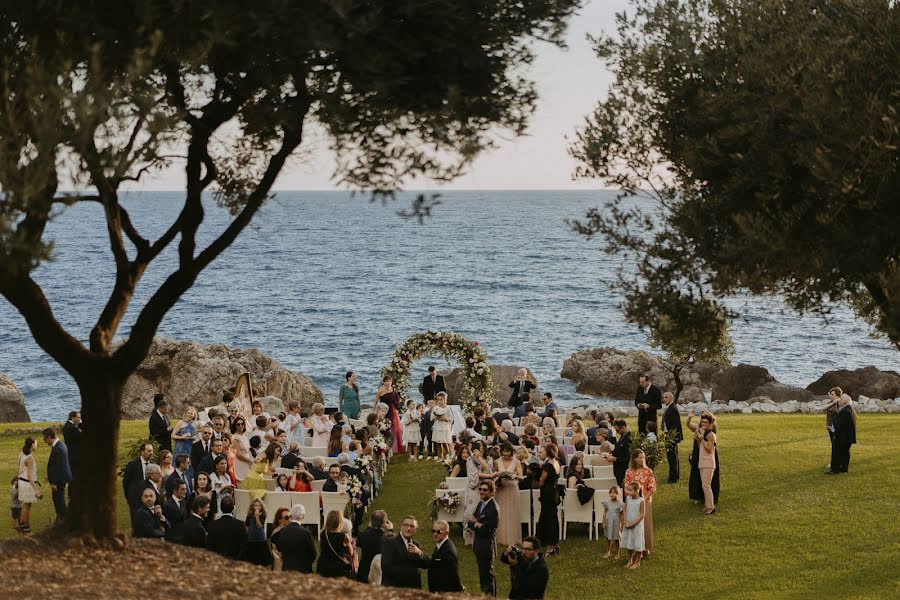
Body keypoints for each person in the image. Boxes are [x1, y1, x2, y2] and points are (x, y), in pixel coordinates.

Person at [380, 514, 430, 589]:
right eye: (406, 525)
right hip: (396, 589)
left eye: (412, 526)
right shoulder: (390, 542)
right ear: (401, 526)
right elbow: (386, 567)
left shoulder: (415, 544)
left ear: (415, 529)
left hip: (413, 591)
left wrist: (420, 553)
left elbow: (426, 564)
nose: (408, 528)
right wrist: (410, 573)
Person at [469, 480, 499, 596]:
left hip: (487, 547)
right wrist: (477, 524)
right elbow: (470, 522)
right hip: (479, 546)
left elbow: (485, 530)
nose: (481, 491)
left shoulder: (493, 509)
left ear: (492, 492)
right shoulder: (481, 503)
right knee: (484, 577)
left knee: (487, 578)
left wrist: (476, 524)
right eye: (480, 489)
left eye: (485, 490)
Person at [623, 449, 657, 553]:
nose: (643, 459)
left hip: (645, 502)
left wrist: (642, 500)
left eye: (643, 457)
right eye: (640, 457)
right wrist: (632, 498)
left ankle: (645, 547)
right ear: (634, 459)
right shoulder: (629, 472)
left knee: (645, 525)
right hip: (632, 503)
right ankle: (634, 547)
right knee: (634, 525)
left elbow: (652, 487)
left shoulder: (648, 471)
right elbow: (626, 487)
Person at [463, 441, 495, 547]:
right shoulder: (470, 459)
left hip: (486, 488)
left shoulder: (489, 459)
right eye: (477, 446)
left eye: (481, 446)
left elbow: (489, 470)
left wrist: (480, 458)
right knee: (472, 511)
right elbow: (474, 475)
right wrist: (488, 476)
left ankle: (483, 535)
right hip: (475, 488)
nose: (479, 448)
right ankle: (469, 538)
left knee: (485, 512)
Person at [272, 504, 318, 573]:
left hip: (287, 570)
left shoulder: (281, 532)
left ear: (291, 515)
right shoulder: (306, 533)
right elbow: (313, 554)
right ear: (302, 516)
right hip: (303, 570)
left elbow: (279, 550)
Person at [494, 442, 523, 548]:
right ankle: (500, 537)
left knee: (511, 512)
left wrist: (514, 476)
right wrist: (498, 476)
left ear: (511, 452)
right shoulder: (497, 461)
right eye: (504, 451)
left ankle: (512, 537)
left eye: (508, 451)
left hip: (511, 488)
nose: (505, 454)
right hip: (501, 488)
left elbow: (521, 476)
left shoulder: (516, 462)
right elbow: (494, 474)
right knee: (500, 511)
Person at [42, 427, 72, 522]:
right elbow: (55, 465)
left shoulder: (58, 448)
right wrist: (49, 475)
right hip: (60, 477)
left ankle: (64, 520)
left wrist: (54, 482)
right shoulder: (59, 445)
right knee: (57, 499)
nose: (45, 441)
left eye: (45, 439)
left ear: (49, 437)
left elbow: (59, 467)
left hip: (60, 479)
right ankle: (59, 518)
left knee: (59, 501)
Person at [536, 444, 561, 557]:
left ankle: (548, 545)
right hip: (554, 492)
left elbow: (542, 481)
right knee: (553, 518)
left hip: (547, 493)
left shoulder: (547, 465)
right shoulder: (557, 463)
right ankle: (553, 544)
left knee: (547, 519)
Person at [428, 519, 464, 593]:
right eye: (433, 531)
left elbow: (454, 574)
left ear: (447, 532)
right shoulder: (440, 545)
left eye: (438, 532)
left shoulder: (449, 551)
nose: (435, 534)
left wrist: (460, 589)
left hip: (444, 592)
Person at [207, 494, 247, 559]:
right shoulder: (240, 525)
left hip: (217, 562)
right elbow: (243, 548)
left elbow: (210, 547)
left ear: (220, 508)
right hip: (235, 563)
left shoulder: (212, 525)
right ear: (233, 508)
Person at [318, 509, 354, 578]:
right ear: (340, 522)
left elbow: (321, 549)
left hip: (323, 565)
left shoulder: (323, 533)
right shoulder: (344, 536)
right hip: (338, 568)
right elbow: (351, 553)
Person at [16, 437, 42, 534]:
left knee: (24, 505)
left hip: (22, 482)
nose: (37, 445)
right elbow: (30, 476)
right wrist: (36, 490)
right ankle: (26, 529)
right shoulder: (30, 458)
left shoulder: (21, 454)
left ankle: (22, 526)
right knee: (27, 506)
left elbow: (20, 469)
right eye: (36, 444)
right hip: (27, 484)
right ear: (32, 445)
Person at [358, 510, 390, 583]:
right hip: (379, 571)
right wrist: (390, 530)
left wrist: (369, 527)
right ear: (385, 523)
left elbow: (359, 543)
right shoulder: (386, 538)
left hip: (364, 569)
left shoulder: (362, 534)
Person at [695, 413, 718, 514]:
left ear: (710, 424)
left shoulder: (711, 435)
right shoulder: (703, 433)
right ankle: (707, 504)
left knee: (706, 485)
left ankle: (711, 507)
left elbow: (709, 449)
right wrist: (699, 435)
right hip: (702, 461)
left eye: (706, 422)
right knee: (704, 485)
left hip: (708, 463)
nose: (703, 423)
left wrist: (701, 439)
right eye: (702, 421)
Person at [374, 375, 404, 454]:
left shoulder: (392, 389)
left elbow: (396, 399)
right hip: (383, 411)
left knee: (394, 427)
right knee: (385, 427)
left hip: (392, 410)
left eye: (389, 381)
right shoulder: (380, 391)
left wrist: (398, 405)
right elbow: (376, 401)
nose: (388, 383)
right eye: (386, 381)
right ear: (384, 382)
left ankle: (394, 447)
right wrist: (373, 411)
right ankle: (384, 446)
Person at [829, 393, 857, 474]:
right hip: (847, 436)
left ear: (844, 401)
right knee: (845, 452)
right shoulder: (850, 410)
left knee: (837, 452)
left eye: (841, 399)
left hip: (842, 436)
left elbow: (839, 424)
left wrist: (834, 432)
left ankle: (835, 469)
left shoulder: (844, 411)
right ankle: (844, 467)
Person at [620, 481, 645, 569]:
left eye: (630, 490)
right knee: (629, 543)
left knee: (638, 543)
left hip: (637, 526)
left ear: (637, 491)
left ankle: (637, 562)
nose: (627, 491)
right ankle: (629, 560)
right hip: (628, 524)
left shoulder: (641, 501)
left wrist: (634, 523)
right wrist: (625, 521)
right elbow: (624, 509)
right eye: (627, 489)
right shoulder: (628, 499)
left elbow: (642, 514)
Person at [122, 442, 155, 508]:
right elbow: (126, 482)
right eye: (149, 451)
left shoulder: (153, 465)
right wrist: (129, 496)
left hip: (149, 498)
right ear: (142, 452)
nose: (151, 453)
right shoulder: (132, 465)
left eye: (152, 451)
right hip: (135, 498)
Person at [660, 391, 683, 483]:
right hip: (668, 434)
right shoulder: (668, 408)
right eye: (663, 397)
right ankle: (674, 476)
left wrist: (672, 436)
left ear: (671, 398)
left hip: (672, 435)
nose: (664, 399)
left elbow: (676, 424)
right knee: (671, 456)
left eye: (666, 397)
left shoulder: (673, 408)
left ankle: (673, 478)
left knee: (672, 457)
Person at [244, 498, 273, 566]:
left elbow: (259, 526)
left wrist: (257, 517)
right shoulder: (249, 515)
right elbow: (247, 526)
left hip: (260, 539)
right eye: (256, 505)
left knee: (262, 561)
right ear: (252, 506)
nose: (257, 507)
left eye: (259, 505)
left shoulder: (263, 515)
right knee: (251, 561)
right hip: (251, 539)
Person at [604, 420, 632, 487]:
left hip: (623, 469)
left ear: (623, 428)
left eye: (617, 430)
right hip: (619, 469)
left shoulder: (629, 439)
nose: (617, 432)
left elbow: (628, 457)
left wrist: (615, 459)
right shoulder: (623, 436)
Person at [162, 478, 190, 543]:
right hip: (173, 540)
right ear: (175, 490)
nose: (185, 491)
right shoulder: (167, 505)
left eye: (185, 489)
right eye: (182, 489)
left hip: (183, 538)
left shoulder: (183, 501)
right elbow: (167, 525)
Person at [601, 485, 624, 559]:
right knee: (608, 538)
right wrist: (603, 522)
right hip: (609, 522)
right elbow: (604, 512)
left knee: (617, 538)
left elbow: (621, 515)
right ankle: (608, 551)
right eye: (611, 492)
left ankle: (617, 553)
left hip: (616, 523)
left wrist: (622, 525)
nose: (612, 494)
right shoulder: (607, 503)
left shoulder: (620, 504)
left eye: (614, 492)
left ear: (618, 494)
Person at [62, 411, 83, 487]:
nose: (79, 419)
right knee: (74, 474)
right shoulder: (70, 427)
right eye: (78, 417)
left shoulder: (71, 426)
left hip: (72, 454)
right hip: (73, 455)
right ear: (73, 418)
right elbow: (82, 436)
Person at [431, 392, 454, 459]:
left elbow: (451, 420)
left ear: (445, 400)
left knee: (445, 442)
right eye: (438, 400)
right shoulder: (435, 408)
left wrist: (444, 419)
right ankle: (440, 456)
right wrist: (436, 417)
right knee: (438, 442)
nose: (439, 401)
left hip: (444, 427)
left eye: (441, 399)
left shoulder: (448, 408)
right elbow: (432, 418)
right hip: (438, 427)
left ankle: (448, 455)